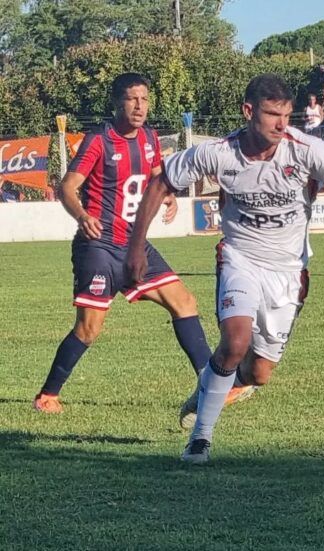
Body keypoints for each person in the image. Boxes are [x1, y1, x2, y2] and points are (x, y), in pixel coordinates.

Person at [127, 75, 324, 464]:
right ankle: (200, 440)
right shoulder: (218, 153)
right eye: (272, 115)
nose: (281, 124)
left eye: (286, 115)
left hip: (289, 272)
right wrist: (136, 246)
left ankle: (208, 389)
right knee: (235, 343)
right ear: (248, 112)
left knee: (259, 373)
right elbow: (160, 184)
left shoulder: (305, 150)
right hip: (240, 258)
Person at [32, 73, 222, 415]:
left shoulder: (149, 138)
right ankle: (48, 395)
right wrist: (82, 216)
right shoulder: (99, 141)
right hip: (99, 248)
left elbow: (155, 177)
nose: (139, 106)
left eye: (144, 99)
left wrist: (168, 195)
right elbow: (67, 187)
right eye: (132, 99)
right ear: (117, 103)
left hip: (135, 246)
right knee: (88, 329)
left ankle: (213, 385)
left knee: (184, 302)